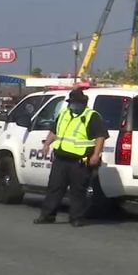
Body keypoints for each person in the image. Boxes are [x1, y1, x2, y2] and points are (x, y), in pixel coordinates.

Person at [34, 89, 109, 227]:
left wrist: (95, 155)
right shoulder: (64, 115)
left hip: (79, 161)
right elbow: (54, 131)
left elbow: (100, 136)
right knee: (54, 188)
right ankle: (47, 216)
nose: (74, 105)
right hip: (61, 159)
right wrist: (46, 145)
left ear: (83, 103)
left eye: (77, 103)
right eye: (72, 102)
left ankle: (76, 218)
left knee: (78, 191)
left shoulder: (91, 116)